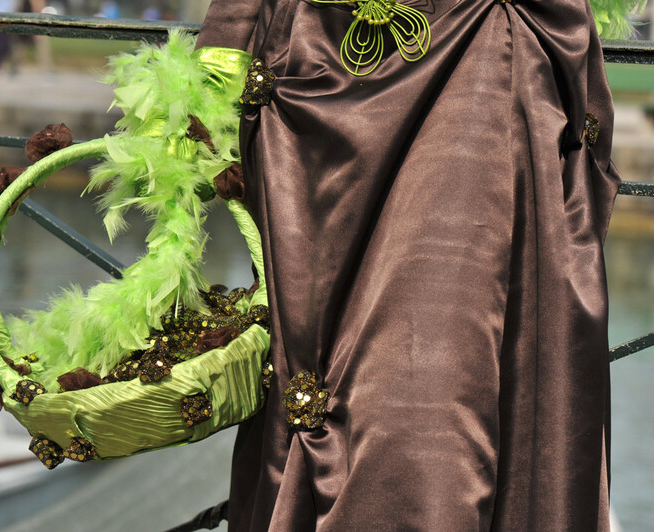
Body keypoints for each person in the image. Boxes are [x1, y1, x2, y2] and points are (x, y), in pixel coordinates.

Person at [195, 0, 620, 530]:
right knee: (339, 377)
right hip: (320, 76)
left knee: (428, 395)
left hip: (482, 67)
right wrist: (223, 45)